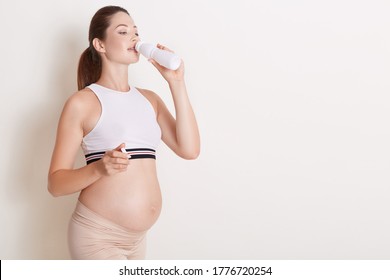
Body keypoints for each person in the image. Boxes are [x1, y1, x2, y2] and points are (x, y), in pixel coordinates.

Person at [47, 5, 200, 260]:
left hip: (137, 241)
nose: (134, 37)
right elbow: (55, 184)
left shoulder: (150, 100)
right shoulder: (82, 103)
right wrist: (99, 168)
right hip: (97, 238)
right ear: (100, 44)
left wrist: (176, 82)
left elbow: (190, 149)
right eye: (123, 31)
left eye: (135, 31)